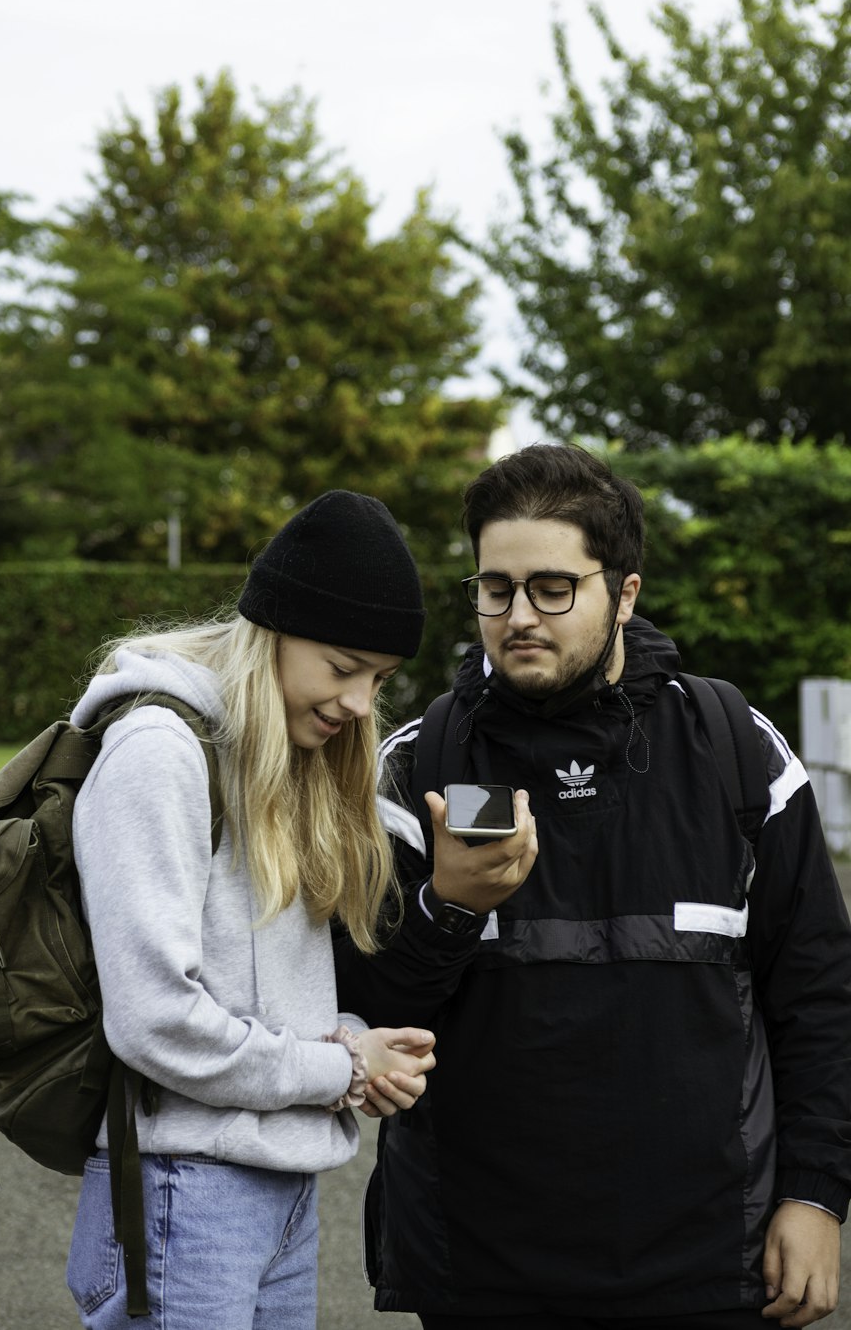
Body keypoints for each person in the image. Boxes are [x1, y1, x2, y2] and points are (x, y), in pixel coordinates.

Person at [336, 444, 851, 1330]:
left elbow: (819, 992)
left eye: (552, 588)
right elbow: (358, 1014)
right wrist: (448, 908)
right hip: (482, 1268)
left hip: (708, 1264)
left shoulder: (737, 747)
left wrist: (815, 1196)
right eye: (494, 589)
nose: (518, 616)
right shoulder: (413, 765)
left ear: (625, 593)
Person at [64, 489, 440, 1330]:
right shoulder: (159, 754)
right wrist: (339, 1072)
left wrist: (351, 1043)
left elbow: (256, 994)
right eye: (342, 668)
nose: (357, 704)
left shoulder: (286, 765)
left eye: (378, 679)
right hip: (183, 1195)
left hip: (280, 1192)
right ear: (273, 629)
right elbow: (155, 1019)